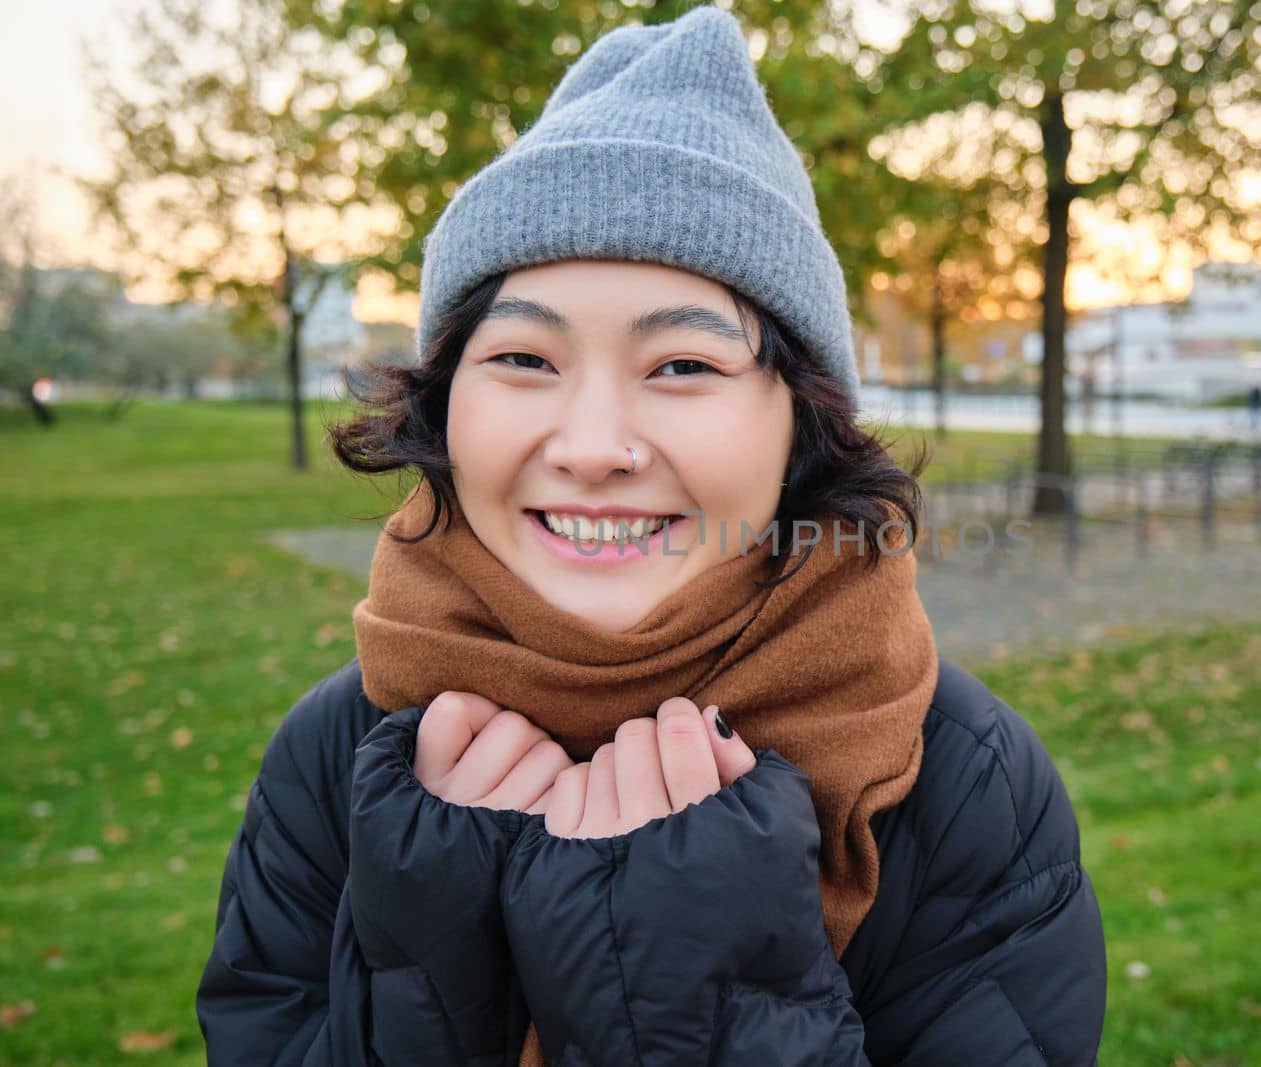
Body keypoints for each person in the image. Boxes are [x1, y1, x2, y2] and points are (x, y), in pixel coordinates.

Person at [195, 7, 1106, 1065]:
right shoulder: (342, 753)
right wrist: (434, 973)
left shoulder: (957, 781)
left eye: (682, 365)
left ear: (799, 424)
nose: (591, 446)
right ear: (445, 405)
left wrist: (705, 1002)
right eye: (524, 360)